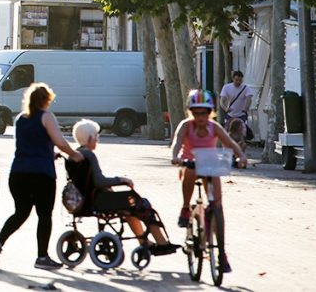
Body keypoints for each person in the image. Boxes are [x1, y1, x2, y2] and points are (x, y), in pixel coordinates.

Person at [0, 82, 84, 271]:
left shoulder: (21, 119)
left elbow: (30, 144)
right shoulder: (46, 116)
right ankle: (42, 257)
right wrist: (75, 155)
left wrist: (49, 153)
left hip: (18, 174)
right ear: (45, 101)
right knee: (44, 215)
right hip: (41, 174)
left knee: (21, 213)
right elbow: (60, 142)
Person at [68, 119, 177, 255]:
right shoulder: (89, 155)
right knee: (142, 205)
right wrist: (121, 180)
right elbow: (99, 181)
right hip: (97, 200)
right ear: (91, 138)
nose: (98, 140)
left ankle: (145, 242)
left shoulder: (73, 156)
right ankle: (162, 243)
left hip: (86, 200)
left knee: (129, 211)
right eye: (97, 136)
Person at [170, 89, 248, 274]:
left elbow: (230, 143)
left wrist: (242, 156)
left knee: (217, 208)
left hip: (210, 164)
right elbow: (177, 142)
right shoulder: (186, 126)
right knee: (189, 171)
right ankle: (185, 207)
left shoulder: (214, 127)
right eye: (196, 112)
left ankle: (222, 254)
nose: (200, 116)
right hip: (190, 163)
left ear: (210, 112)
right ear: (191, 112)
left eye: (203, 112)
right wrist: (175, 156)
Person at [220, 70, 253, 135]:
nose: (238, 82)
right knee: (228, 131)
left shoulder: (246, 88)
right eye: (236, 80)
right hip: (230, 114)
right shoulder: (227, 87)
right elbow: (222, 100)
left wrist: (246, 108)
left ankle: (242, 142)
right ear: (233, 79)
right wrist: (225, 108)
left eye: (240, 80)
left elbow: (249, 98)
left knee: (242, 131)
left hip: (242, 114)